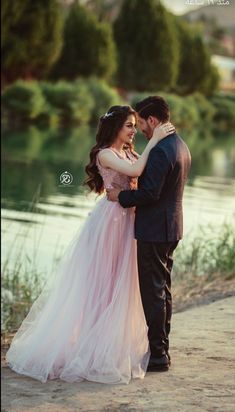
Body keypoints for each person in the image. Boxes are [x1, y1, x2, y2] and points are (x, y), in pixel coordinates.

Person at [6, 105, 174, 384]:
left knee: (125, 283)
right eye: (129, 125)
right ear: (115, 128)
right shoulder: (105, 154)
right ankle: (93, 347)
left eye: (135, 125)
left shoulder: (129, 151)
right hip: (111, 224)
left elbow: (139, 174)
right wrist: (154, 140)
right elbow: (134, 170)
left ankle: (116, 343)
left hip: (129, 220)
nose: (134, 130)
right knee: (104, 283)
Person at [107, 97, 191, 372]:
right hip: (172, 227)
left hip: (155, 230)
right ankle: (161, 350)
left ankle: (157, 355)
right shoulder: (180, 145)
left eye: (141, 124)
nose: (140, 130)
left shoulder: (159, 150)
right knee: (162, 290)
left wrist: (121, 196)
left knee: (153, 293)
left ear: (152, 121)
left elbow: (149, 193)